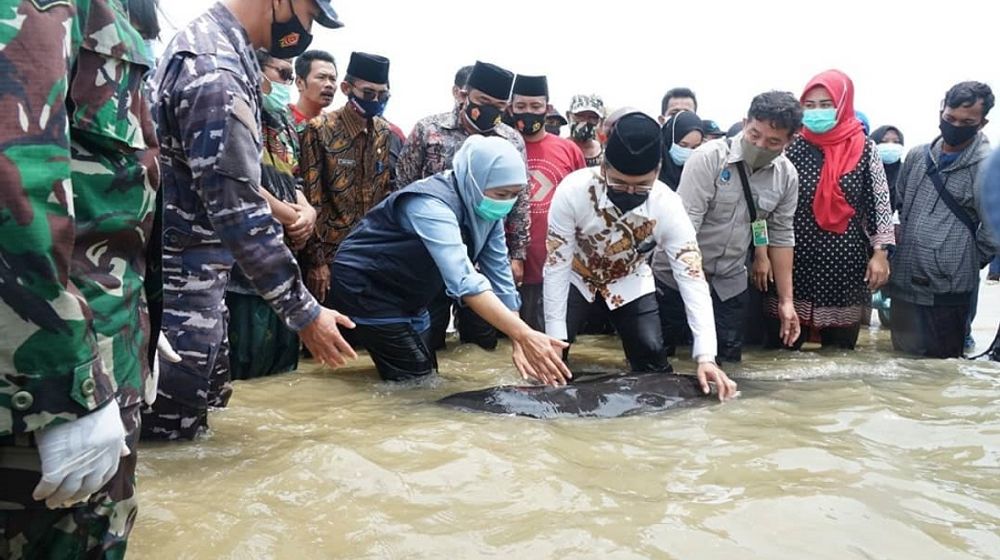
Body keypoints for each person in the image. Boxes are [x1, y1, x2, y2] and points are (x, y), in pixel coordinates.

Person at [142, 0, 356, 441]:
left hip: (200, 285)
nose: (307, 29)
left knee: (208, 436)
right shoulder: (216, 70)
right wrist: (304, 313)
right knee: (175, 449)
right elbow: (237, 207)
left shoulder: (223, 52)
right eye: (309, 16)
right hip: (181, 297)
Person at [0, 0, 158, 555]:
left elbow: (112, 201)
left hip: (95, 357)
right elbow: (15, 175)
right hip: (40, 387)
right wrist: (62, 387)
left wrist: (144, 333)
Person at [329, 136, 571, 385]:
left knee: (427, 373)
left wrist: (518, 337)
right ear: (475, 179)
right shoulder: (430, 204)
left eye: (514, 195)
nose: (506, 203)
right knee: (417, 381)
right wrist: (523, 334)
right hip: (370, 286)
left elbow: (499, 274)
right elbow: (464, 281)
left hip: (411, 292)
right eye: (501, 193)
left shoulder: (486, 210)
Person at [544, 112, 737, 400]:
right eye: (620, 185)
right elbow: (556, 266)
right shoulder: (573, 191)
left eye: (641, 187)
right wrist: (556, 338)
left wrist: (706, 355)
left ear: (658, 170)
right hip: (576, 277)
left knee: (652, 361)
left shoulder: (668, 205)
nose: (631, 192)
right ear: (605, 166)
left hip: (629, 280)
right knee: (549, 364)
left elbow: (692, 279)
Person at [655, 91, 803, 363]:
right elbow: (685, 229)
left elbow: (780, 235)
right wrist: (697, 291)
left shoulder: (787, 176)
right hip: (676, 276)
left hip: (729, 280)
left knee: (729, 366)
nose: (760, 145)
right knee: (656, 362)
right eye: (754, 135)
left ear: (790, 141)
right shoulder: (708, 159)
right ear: (745, 122)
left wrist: (786, 301)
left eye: (773, 142)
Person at [396, 61, 530, 351]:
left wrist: (517, 253)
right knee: (428, 335)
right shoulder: (429, 130)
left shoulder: (511, 140)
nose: (491, 110)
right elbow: (402, 187)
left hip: (484, 249)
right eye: (483, 102)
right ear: (462, 94)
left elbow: (518, 201)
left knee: (482, 340)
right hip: (429, 250)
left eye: (499, 105)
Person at [765, 69, 894, 351]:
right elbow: (768, 205)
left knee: (840, 357)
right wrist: (761, 253)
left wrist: (880, 254)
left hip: (844, 265)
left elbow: (879, 203)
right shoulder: (791, 145)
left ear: (843, 104)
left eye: (826, 105)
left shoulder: (865, 148)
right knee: (782, 352)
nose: (817, 112)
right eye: (809, 106)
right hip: (792, 260)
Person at [888, 81, 998, 358]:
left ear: (982, 123)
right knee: (899, 368)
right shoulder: (917, 156)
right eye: (950, 118)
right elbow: (897, 205)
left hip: (949, 290)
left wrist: (966, 259)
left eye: (966, 121)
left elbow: (995, 229)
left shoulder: (987, 167)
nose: (956, 125)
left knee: (942, 372)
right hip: (905, 284)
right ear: (941, 111)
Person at [225, 49, 316, 381]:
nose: (288, 83)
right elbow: (235, 179)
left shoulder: (284, 122)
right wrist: (288, 215)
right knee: (243, 375)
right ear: (254, 69)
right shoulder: (235, 111)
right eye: (282, 74)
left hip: (285, 265)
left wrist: (308, 211)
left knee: (284, 379)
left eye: (292, 76)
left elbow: (294, 178)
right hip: (241, 270)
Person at [299, 52, 395, 305]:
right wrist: (316, 262)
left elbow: (384, 193)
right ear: (347, 88)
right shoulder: (320, 129)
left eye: (382, 95)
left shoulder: (383, 132)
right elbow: (312, 200)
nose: (375, 100)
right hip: (332, 258)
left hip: (372, 252)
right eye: (368, 93)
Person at [507, 75, 587, 330]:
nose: (528, 113)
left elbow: (585, 203)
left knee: (552, 339)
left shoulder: (569, 150)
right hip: (509, 264)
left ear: (547, 108)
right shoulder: (500, 146)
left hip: (557, 264)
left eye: (535, 107)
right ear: (510, 108)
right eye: (520, 107)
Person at [658, 110, 705, 190]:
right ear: (669, 139)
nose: (688, 152)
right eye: (683, 145)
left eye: (694, 147)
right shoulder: (653, 165)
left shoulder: (701, 171)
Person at [291, 49, 338, 127]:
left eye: (333, 79)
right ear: (300, 83)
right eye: (321, 77)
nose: (329, 85)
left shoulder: (334, 127)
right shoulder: (279, 124)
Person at [566, 94, 606, 167]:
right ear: (568, 116)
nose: (585, 121)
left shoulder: (606, 154)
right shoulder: (558, 149)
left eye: (592, 117)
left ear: (601, 121)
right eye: (580, 115)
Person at [871, 125, 906, 207]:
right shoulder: (865, 172)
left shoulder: (906, 173)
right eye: (884, 141)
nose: (890, 145)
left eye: (896, 142)